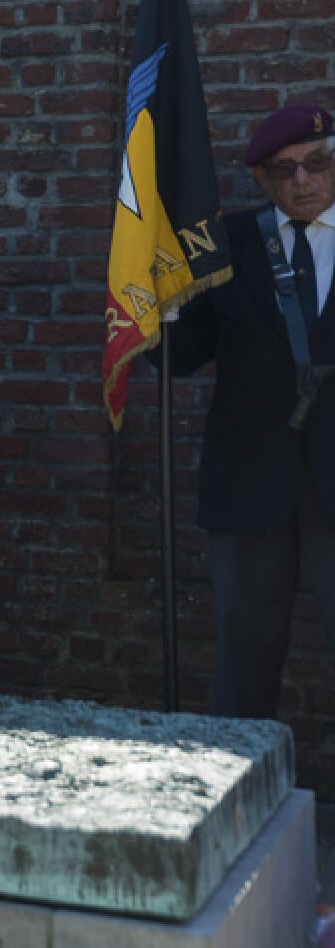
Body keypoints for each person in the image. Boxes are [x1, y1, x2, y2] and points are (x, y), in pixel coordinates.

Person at [165, 103, 335, 719]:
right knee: (243, 670)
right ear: (262, 179)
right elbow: (179, 356)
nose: (303, 180)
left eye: (318, 162)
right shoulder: (223, 244)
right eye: (284, 170)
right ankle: (239, 779)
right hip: (248, 486)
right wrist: (157, 301)